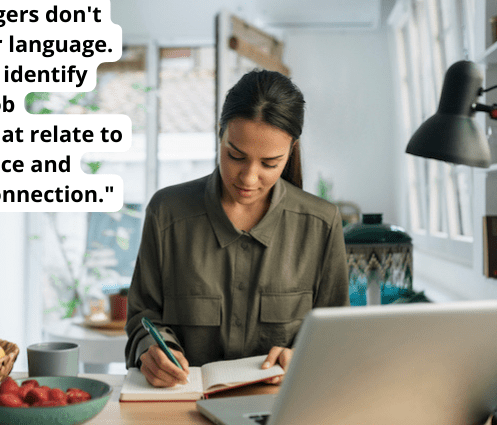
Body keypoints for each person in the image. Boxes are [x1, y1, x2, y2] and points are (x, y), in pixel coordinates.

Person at [124, 69, 349, 387]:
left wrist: (303, 356)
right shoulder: (167, 212)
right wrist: (154, 352)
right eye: (236, 156)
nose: (248, 178)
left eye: (269, 163)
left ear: (291, 150)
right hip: (181, 406)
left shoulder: (321, 223)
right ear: (220, 134)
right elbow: (143, 317)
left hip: (280, 408)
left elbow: (336, 333)